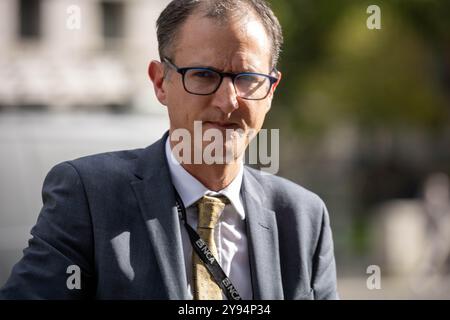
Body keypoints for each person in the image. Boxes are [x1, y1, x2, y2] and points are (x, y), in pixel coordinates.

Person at [0, 0, 338, 300]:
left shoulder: (303, 218)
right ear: (161, 82)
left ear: (271, 90)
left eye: (247, 78)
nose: (228, 101)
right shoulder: (90, 198)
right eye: (204, 75)